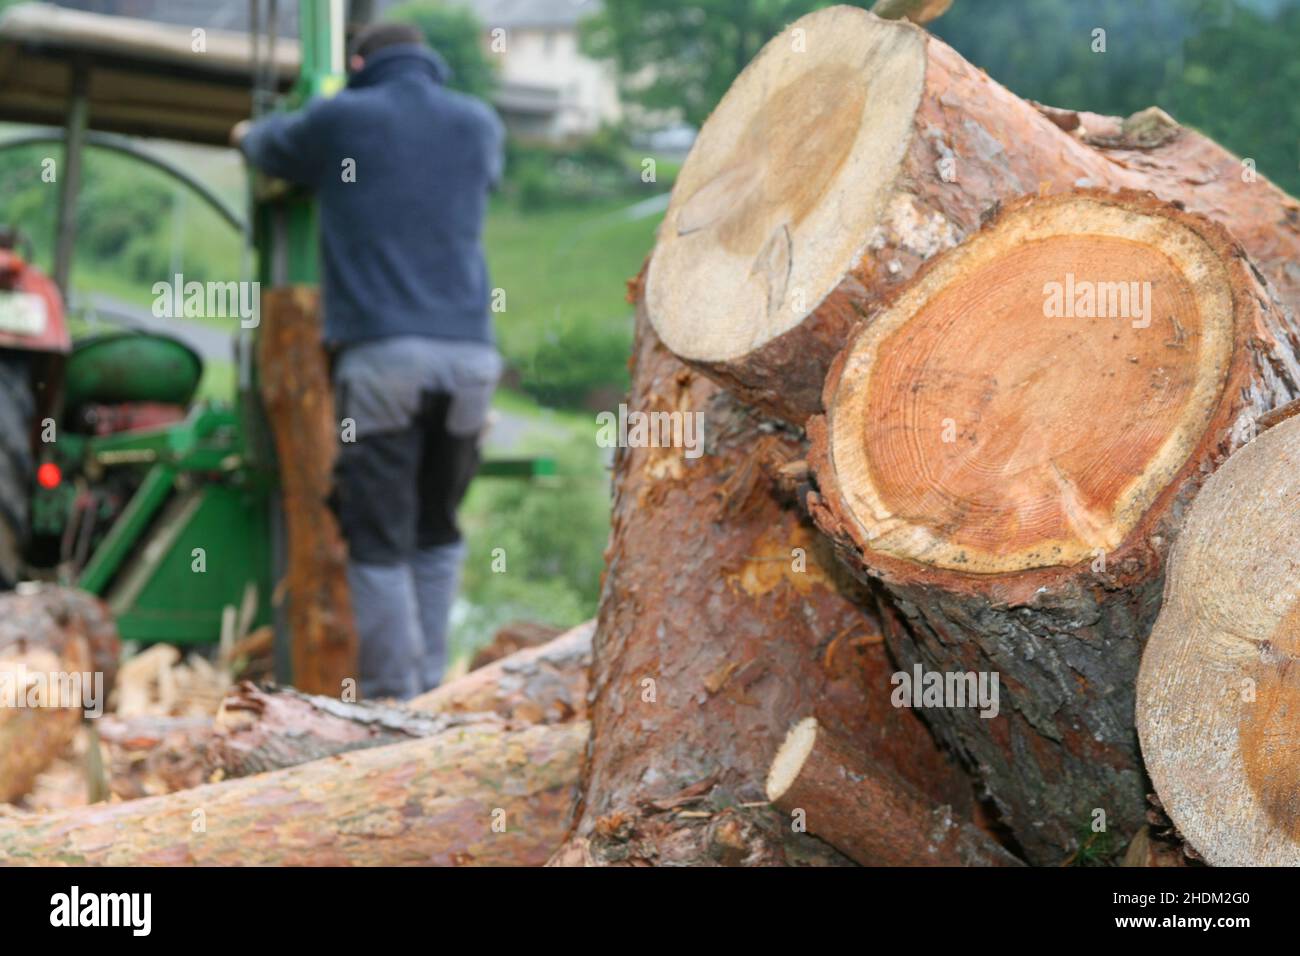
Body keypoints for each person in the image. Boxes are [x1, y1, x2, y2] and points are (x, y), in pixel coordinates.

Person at [233, 22, 505, 699]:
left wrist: (245, 135)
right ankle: (431, 696)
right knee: (437, 531)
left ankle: (394, 705)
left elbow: (267, 147)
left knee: (378, 539)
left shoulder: (342, 118)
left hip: (385, 358)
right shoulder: (477, 122)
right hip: (472, 357)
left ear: (359, 62)